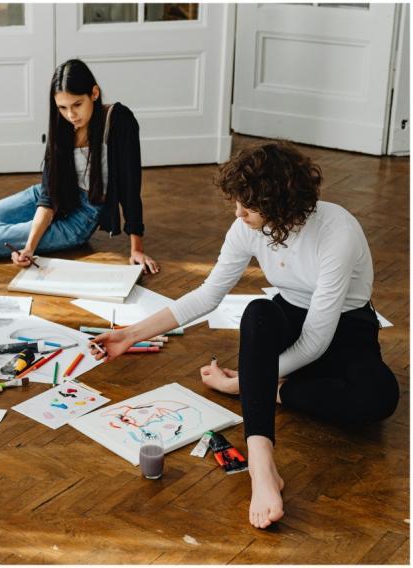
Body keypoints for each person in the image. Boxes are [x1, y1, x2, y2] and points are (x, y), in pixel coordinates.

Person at [90, 141, 398, 529]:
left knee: (380, 398)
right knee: (257, 313)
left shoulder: (337, 231)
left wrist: (249, 384)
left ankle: (273, 389)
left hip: (347, 326)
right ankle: (262, 465)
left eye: (248, 207)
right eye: (237, 203)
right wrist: (129, 335)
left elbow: (319, 339)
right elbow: (207, 295)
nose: (238, 214)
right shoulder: (247, 227)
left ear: (282, 205)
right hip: (290, 317)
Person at [0, 59, 159, 274]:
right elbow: (47, 198)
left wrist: (136, 249)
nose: (71, 115)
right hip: (52, 198)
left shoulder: (119, 121)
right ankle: (1, 229)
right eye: (62, 107)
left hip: (80, 218)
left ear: (94, 93)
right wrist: (30, 245)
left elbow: (130, 187)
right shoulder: (62, 125)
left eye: (77, 105)